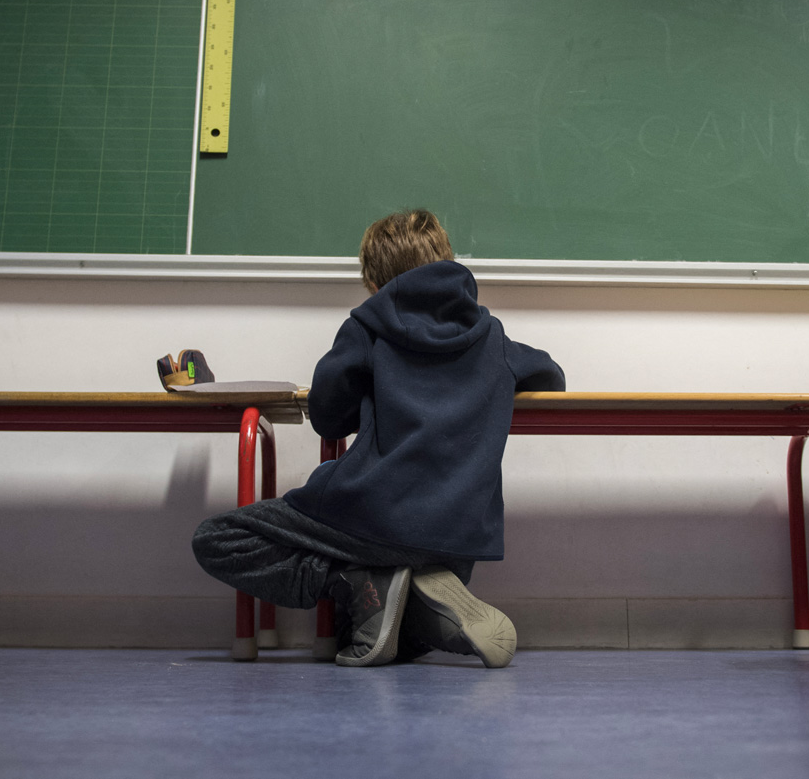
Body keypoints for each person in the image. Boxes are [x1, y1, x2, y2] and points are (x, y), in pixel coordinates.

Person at [192, 208, 565, 667]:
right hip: (457, 537)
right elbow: (552, 377)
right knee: (374, 633)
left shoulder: (368, 328)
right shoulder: (493, 337)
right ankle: (424, 596)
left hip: (373, 515)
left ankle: (355, 577)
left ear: (374, 279)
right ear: (446, 259)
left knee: (218, 538)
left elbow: (328, 418)